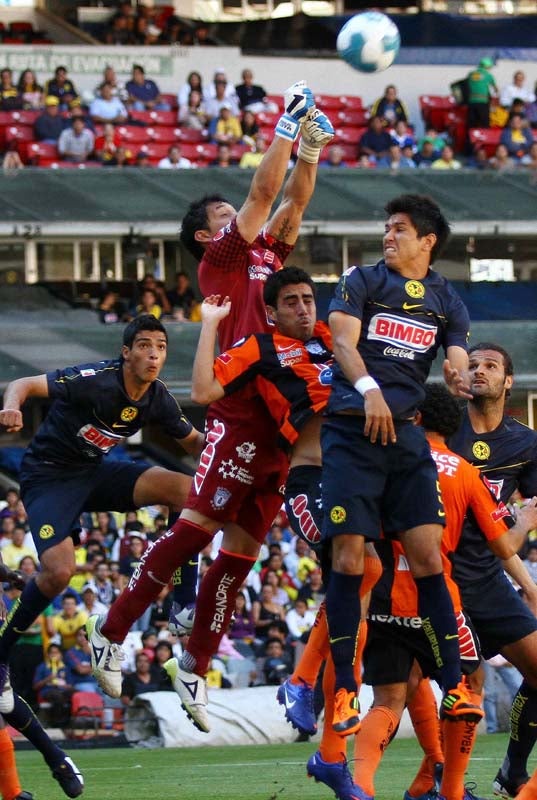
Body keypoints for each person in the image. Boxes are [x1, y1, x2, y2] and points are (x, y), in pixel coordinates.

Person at [86, 83, 335, 734]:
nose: (240, 216)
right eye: (225, 215)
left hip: (282, 422)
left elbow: (292, 203)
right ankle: (111, 628)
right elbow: (263, 195)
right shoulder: (220, 262)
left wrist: (311, 151)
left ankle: (194, 663)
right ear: (206, 234)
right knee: (197, 530)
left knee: (243, 553)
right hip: (237, 411)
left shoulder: (265, 259)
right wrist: (285, 128)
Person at [320, 193, 479, 740]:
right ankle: (345, 689)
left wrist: (458, 375)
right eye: (387, 228)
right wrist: (369, 390)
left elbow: (456, 354)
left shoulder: (446, 298)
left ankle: (454, 683)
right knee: (348, 559)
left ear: (427, 241)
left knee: (429, 557)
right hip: (351, 430)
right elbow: (343, 342)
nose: (388, 236)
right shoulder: (361, 279)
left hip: (406, 436)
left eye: (399, 229)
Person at [349, 383, 537, 800]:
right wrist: (524, 522)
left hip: (383, 594)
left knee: (388, 699)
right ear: (453, 429)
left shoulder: (383, 461)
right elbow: (503, 545)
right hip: (438, 598)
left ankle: (359, 786)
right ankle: (451, 791)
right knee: (467, 686)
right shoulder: (465, 471)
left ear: (414, 419)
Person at [0, 314, 204, 698]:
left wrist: (239, 447)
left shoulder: (157, 396)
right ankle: (0, 653)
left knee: (185, 490)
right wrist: (12, 406)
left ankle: (183, 603)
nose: (154, 355)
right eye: (144, 346)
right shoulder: (94, 380)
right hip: (48, 476)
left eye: (161, 347)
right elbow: (22, 383)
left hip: (94, 472)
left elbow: (196, 443)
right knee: (59, 573)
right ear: (126, 352)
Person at [447, 343, 537, 798]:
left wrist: (528, 584)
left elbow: (523, 515)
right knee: (454, 686)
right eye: (472, 365)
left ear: (508, 381)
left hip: (486, 577)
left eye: (490, 365)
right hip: (436, 575)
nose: (479, 370)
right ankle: (440, 785)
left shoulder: (526, 443)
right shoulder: (443, 428)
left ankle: (512, 774)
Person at [466, 57, 498, 130]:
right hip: (483, 102)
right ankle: (485, 136)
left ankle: (471, 136)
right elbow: (495, 89)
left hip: (471, 102)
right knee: (484, 123)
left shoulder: (470, 74)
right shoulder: (488, 75)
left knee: (472, 124)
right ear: (487, 67)